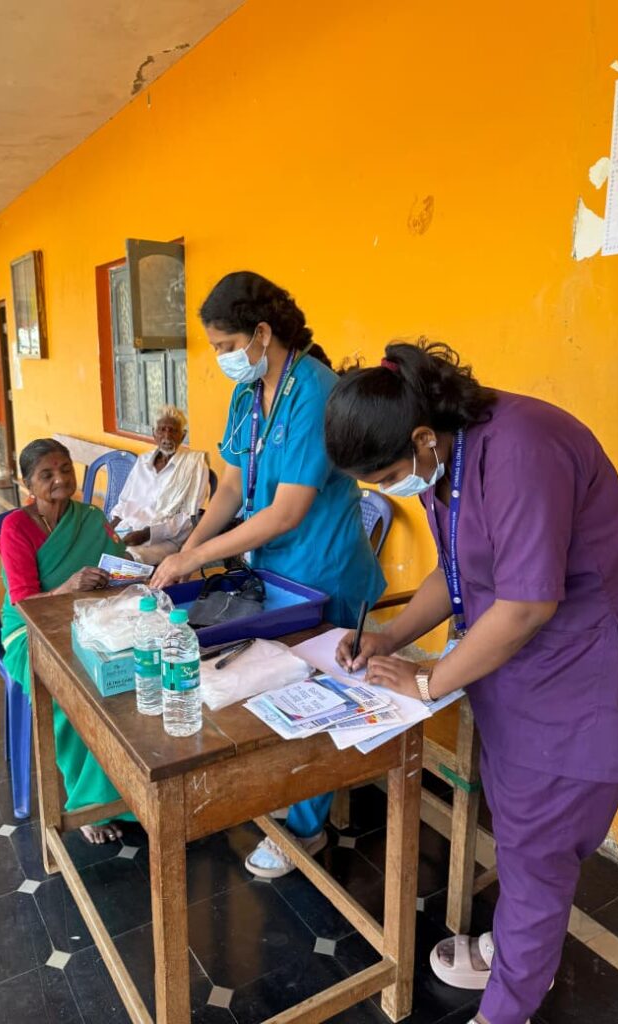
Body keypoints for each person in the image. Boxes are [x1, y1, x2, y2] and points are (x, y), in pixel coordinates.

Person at [324, 340, 618, 1024]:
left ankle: (507, 1005)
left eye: (387, 476)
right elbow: (454, 573)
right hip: (517, 674)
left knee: (538, 851)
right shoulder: (449, 457)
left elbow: (524, 606)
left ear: (421, 438)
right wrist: (388, 638)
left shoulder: (521, 449)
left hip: (576, 681)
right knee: (521, 839)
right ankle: (520, 951)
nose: (388, 490)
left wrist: (428, 683)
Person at [152, 271, 386, 878]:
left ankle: (304, 829)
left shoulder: (316, 391)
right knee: (276, 687)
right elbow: (231, 486)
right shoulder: (247, 394)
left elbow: (286, 511)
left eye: (227, 346)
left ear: (262, 332)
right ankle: (283, 792)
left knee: (318, 695)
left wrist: (196, 558)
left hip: (325, 569)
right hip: (273, 570)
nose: (224, 358)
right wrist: (186, 550)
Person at [0, 438, 134, 843]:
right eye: (46, 474)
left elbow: (122, 562)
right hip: (30, 631)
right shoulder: (16, 527)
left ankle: (127, 789)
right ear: (28, 484)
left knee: (128, 673)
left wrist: (126, 575)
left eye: (65, 469)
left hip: (90, 620)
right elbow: (24, 603)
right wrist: (69, 587)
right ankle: (86, 803)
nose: (60, 479)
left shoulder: (90, 517)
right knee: (71, 689)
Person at [109, 405, 209, 565]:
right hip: (127, 530)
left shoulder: (194, 466)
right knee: (95, 549)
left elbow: (188, 517)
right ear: (154, 433)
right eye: (162, 430)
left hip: (165, 539)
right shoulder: (143, 461)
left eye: (173, 431)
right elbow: (124, 501)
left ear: (183, 435)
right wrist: (109, 530)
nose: (167, 436)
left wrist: (146, 534)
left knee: (124, 560)